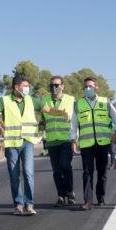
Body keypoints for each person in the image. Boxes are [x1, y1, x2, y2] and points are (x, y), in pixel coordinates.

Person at [0, 75, 67, 216]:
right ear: (16, 87)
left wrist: (61, 113)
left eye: (27, 86)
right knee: (14, 175)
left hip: (28, 143)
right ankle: (18, 205)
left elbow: (48, 110)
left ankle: (29, 204)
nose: (27, 89)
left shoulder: (32, 100)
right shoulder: (4, 101)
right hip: (12, 144)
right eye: (24, 86)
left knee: (28, 173)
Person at [71, 77, 116, 211]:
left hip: (103, 143)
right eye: (85, 87)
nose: (87, 89)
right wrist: (73, 140)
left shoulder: (105, 102)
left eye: (90, 86)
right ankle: (88, 201)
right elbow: (73, 125)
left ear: (96, 87)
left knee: (102, 172)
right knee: (87, 172)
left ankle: (101, 197)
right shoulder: (78, 104)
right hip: (86, 144)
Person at [41, 75, 75, 207]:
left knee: (65, 165)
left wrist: (75, 138)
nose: (54, 87)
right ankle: (61, 196)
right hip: (52, 140)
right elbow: (43, 119)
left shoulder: (71, 100)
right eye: (52, 85)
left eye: (56, 85)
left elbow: (75, 120)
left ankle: (70, 192)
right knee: (56, 170)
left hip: (66, 139)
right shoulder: (44, 101)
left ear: (62, 86)